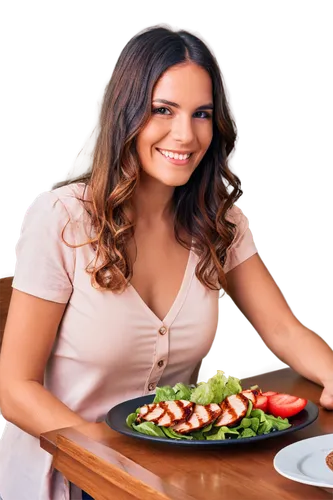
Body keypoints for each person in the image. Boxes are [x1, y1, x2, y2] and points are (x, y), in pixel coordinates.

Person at [0, 22, 332, 500]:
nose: (186, 134)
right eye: (163, 110)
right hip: (68, 476)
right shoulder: (64, 219)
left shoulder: (218, 219)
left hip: (168, 477)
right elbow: (16, 389)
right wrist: (108, 451)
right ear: (126, 113)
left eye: (201, 114)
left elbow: (282, 330)